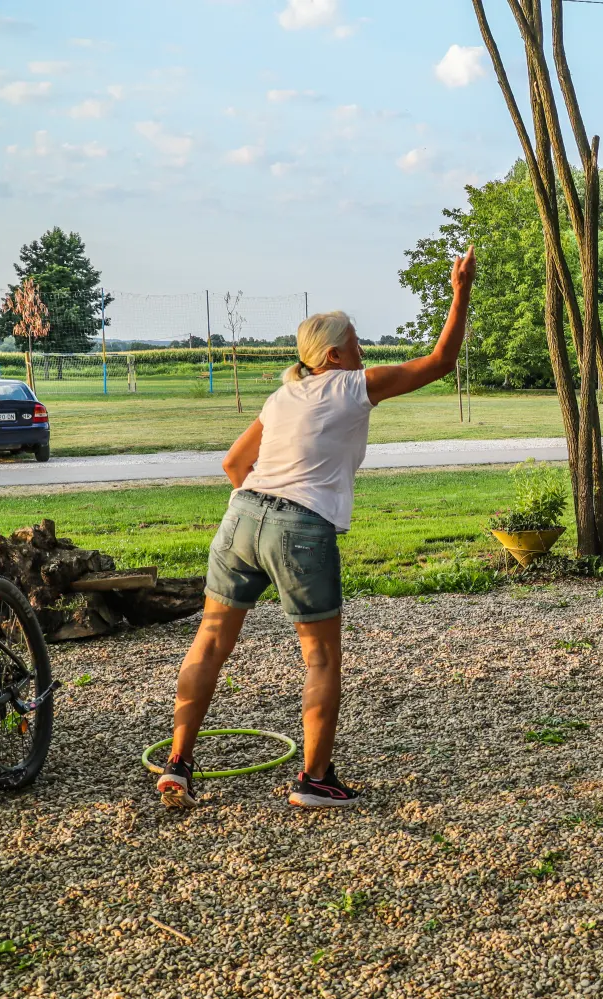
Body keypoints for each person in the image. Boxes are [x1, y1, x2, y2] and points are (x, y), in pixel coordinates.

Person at [156, 246, 476, 809]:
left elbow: (234, 465)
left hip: (241, 517)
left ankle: (178, 766)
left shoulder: (283, 395)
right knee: (321, 658)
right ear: (333, 355)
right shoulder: (354, 385)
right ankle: (314, 781)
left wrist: (256, 507)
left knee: (209, 643)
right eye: (355, 341)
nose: (363, 347)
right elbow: (442, 361)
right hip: (300, 528)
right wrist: (461, 289)